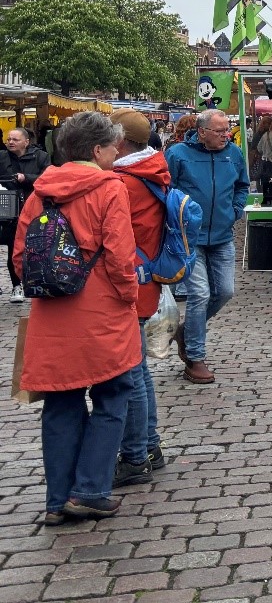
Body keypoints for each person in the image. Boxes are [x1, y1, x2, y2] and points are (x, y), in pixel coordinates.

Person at [11, 112, 142, 524]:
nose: (116, 153)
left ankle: (57, 500)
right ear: (96, 150)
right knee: (113, 395)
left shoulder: (40, 192)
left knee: (61, 403)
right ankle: (89, 491)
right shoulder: (108, 189)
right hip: (102, 311)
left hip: (52, 317)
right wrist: (129, 297)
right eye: (112, 147)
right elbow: (121, 257)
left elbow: (19, 258)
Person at [109, 110, 172, 488]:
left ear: (118, 142)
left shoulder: (123, 181)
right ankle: (149, 445)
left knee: (130, 373)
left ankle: (136, 456)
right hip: (145, 282)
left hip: (128, 284)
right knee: (138, 369)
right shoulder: (150, 170)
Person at [166, 109, 251, 385]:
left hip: (223, 235)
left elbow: (242, 185)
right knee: (200, 294)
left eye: (227, 129)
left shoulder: (234, 154)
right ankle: (195, 357)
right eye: (219, 130)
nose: (226, 134)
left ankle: (186, 331)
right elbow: (166, 191)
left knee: (225, 291)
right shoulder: (178, 155)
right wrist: (176, 220)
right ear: (201, 132)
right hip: (190, 238)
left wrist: (236, 209)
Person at [2, 126, 51, 302]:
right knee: (11, 246)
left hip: (33, 209)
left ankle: (34, 282)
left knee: (30, 248)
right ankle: (16, 285)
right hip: (7, 210)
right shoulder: (2, 157)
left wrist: (26, 178)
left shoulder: (41, 157)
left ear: (26, 142)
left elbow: (48, 178)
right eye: (9, 139)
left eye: (15, 139)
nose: (10, 142)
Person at [254, 116, 272, 201]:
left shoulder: (265, 135)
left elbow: (259, 148)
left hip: (264, 163)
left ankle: (266, 200)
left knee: (265, 182)